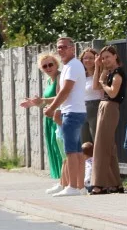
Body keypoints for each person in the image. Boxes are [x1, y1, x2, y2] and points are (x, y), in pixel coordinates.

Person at [42, 37, 86, 197]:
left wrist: (52, 108)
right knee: (76, 151)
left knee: (70, 152)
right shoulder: (69, 66)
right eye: (59, 48)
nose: (61, 50)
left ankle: (72, 187)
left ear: (72, 48)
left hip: (72, 112)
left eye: (64, 47)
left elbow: (65, 91)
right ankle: (78, 186)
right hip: (73, 111)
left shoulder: (73, 65)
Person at [20, 53, 65, 191]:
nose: (48, 67)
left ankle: (66, 181)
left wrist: (42, 101)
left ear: (56, 64)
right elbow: (46, 101)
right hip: (49, 117)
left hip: (59, 115)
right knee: (54, 147)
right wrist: (34, 103)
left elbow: (60, 97)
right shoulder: (48, 81)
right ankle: (62, 180)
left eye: (50, 64)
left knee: (62, 149)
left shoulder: (59, 77)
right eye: (44, 66)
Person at [89, 45, 126, 194]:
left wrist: (104, 82)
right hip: (104, 107)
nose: (105, 60)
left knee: (101, 146)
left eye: (107, 57)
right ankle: (115, 184)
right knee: (108, 147)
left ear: (115, 56)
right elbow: (95, 86)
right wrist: (98, 67)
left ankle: (99, 184)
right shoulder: (108, 72)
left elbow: (112, 93)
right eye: (102, 58)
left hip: (110, 107)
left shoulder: (117, 74)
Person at [80, 48, 103, 144]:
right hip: (82, 108)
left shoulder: (101, 74)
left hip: (95, 106)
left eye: (91, 58)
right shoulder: (81, 76)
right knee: (84, 141)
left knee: (96, 138)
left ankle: (99, 159)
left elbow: (96, 87)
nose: (87, 61)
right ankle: (87, 159)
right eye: (85, 58)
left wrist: (97, 68)